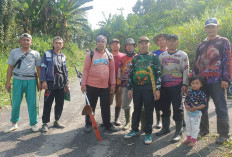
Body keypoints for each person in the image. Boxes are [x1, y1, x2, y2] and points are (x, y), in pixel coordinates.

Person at [193, 18, 231, 144]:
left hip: (217, 80)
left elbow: (228, 61)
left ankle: (224, 134)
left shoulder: (223, 41)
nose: (210, 29)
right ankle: (204, 130)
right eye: (208, 27)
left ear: (217, 27)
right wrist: (194, 79)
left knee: (220, 107)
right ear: (205, 29)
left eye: (213, 27)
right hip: (202, 81)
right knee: (201, 107)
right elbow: (196, 63)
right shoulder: (201, 45)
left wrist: (226, 79)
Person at [124, 36, 161, 145]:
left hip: (149, 87)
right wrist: (130, 88)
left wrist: (157, 89)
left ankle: (148, 132)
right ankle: (134, 130)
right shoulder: (135, 58)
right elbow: (131, 73)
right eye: (141, 43)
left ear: (149, 45)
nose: (143, 45)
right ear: (138, 45)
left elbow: (158, 74)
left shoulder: (154, 57)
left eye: (146, 43)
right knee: (137, 109)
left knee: (149, 110)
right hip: (137, 87)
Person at [4, 33, 41, 133]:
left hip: (31, 81)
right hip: (17, 80)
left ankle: (33, 123)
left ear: (31, 42)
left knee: (32, 103)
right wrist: (8, 82)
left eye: (28, 40)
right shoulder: (14, 52)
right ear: (20, 41)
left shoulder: (36, 53)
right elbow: (10, 68)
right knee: (16, 102)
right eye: (24, 40)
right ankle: (14, 123)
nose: (26, 42)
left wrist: (40, 82)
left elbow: (38, 69)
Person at [81, 35, 118, 133]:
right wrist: (83, 84)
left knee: (105, 106)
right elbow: (85, 70)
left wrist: (113, 84)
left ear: (106, 44)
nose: (101, 43)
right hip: (91, 85)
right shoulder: (90, 54)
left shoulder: (109, 55)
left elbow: (112, 71)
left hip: (104, 86)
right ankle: (88, 124)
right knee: (90, 105)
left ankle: (107, 124)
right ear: (96, 43)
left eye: (103, 42)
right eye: (99, 41)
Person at [157, 34, 189, 143]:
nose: (171, 43)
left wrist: (185, 84)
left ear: (177, 42)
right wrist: (158, 86)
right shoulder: (162, 56)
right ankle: (165, 128)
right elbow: (159, 71)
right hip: (164, 86)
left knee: (177, 108)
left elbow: (186, 70)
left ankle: (178, 131)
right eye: (169, 41)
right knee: (164, 107)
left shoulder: (182, 55)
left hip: (177, 85)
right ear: (166, 42)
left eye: (173, 41)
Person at [40, 36, 69, 133]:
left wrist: (67, 83)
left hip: (60, 83)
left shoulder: (63, 56)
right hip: (50, 83)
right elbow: (43, 68)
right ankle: (45, 123)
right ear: (53, 44)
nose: (58, 44)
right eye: (56, 43)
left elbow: (65, 70)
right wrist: (43, 81)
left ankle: (57, 121)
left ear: (62, 45)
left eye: (60, 43)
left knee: (60, 103)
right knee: (48, 103)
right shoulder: (47, 54)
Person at [181, 75, 207, 147]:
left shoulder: (202, 94)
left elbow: (204, 104)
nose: (194, 85)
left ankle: (194, 140)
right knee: (188, 127)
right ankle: (188, 138)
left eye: (197, 83)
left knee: (195, 128)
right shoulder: (189, 92)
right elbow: (185, 101)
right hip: (189, 114)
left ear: (201, 84)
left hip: (196, 114)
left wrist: (196, 108)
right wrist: (186, 106)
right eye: (192, 83)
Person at [117, 38, 136, 130]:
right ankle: (128, 122)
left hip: (137, 84)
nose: (129, 47)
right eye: (127, 45)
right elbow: (119, 71)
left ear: (134, 46)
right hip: (125, 84)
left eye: (131, 45)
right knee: (125, 104)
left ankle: (137, 123)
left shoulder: (138, 56)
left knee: (139, 104)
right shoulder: (122, 58)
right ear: (125, 47)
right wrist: (119, 84)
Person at [152, 33, 168, 129]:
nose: (161, 41)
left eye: (163, 39)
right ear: (157, 43)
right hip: (157, 81)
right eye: (159, 40)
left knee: (170, 101)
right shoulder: (154, 54)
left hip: (169, 80)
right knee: (157, 101)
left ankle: (179, 120)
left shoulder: (171, 51)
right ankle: (158, 121)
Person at [109, 38, 125, 126]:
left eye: (117, 44)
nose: (115, 45)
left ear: (120, 45)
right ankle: (106, 119)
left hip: (120, 83)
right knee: (108, 101)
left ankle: (116, 118)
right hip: (109, 83)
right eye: (113, 44)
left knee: (119, 101)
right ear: (110, 46)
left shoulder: (123, 56)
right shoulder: (107, 55)